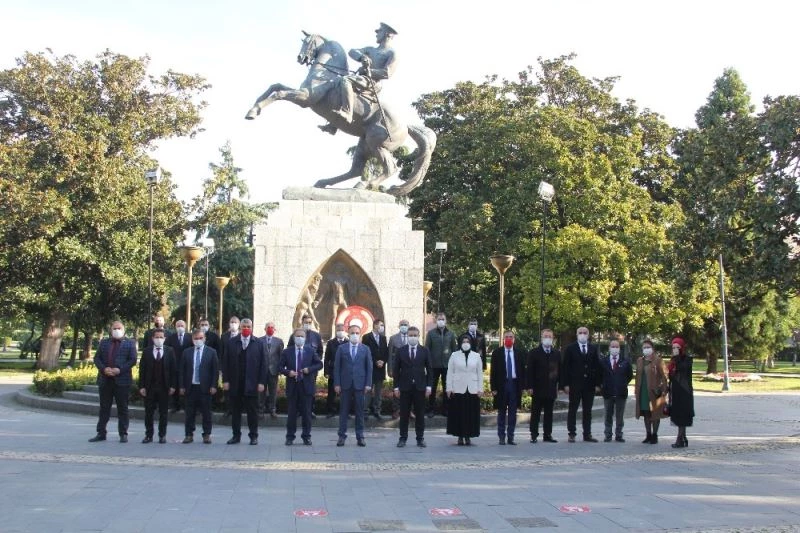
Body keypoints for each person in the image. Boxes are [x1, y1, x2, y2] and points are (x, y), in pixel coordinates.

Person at [323, 22, 398, 135]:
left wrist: (369, 71)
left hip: (372, 82)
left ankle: (347, 112)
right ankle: (334, 125)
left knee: (346, 80)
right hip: (361, 79)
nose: (377, 33)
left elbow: (387, 73)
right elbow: (352, 51)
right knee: (338, 83)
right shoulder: (370, 49)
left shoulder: (391, 53)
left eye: (380, 31)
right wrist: (361, 56)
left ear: (388, 34)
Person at [89, 321, 138, 443]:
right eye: (114, 328)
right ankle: (101, 433)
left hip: (122, 380)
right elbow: (97, 358)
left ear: (124, 329)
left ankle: (123, 433)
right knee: (104, 408)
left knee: (123, 408)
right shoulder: (104, 342)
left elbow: (132, 360)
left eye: (119, 328)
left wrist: (119, 370)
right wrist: (104, 368)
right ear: (111, 330)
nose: (117, 330)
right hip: (105, 380)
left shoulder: (130, 343)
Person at [222, 319, 266, 445]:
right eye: (244, 326)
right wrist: (225, 380)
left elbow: (264, 364)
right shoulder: (231, 342)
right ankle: (236, 436)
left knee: (252, 412)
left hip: (252, 383)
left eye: (248, 326)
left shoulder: (258, 343)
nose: (246, 328)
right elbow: (225, 363)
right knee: (235, 411)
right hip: (236, 382)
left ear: (252, 327)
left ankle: (253, 436)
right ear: (240, 328)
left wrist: (261, 382)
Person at [280, 328, 323, 445]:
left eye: (302, 336)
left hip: (306, 386)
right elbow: (280, 367)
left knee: (306, 413)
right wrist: (288, 372)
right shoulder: (287, 352)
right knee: (292, 413)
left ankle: (306, 436)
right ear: (294, 338)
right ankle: (290, 437)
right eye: (297, 336)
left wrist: (309, 369)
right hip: (292, 386)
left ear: (305, 338)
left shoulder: (310, 351)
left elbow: (319, 364)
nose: (299, 338)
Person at [392, 326, 432, 447]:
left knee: (420, 414)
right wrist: (396, 387)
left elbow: (430, 370)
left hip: (420, 387)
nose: (412, 337)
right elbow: (396, 370)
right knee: (404, 414)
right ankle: (402, 438)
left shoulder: (424, 350)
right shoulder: (401, 350)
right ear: (407, 336)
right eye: (410, 335)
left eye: (415, 335)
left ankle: (420, 438)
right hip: (405, 387)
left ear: (418, 336)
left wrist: (429, 386)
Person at [334, 324, 373, 447]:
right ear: (348, 334)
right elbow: (337, 367)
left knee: (360, 412)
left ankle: (360, 436)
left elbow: (369, 368)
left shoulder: (365, 349)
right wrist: (337, 383)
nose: (354, 335)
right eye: (352, 333)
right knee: (344, 411)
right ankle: (341, 436)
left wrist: (368, 384)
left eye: (357, 333)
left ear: (360, 334)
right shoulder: (341, 348)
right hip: (345, 384)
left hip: (360, 385)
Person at [561, 326, 602, 443]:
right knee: (573, 409)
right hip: (575, 384)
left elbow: (597, 367)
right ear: (577, 334)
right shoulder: (570, 348)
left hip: (589, 385)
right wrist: (565, 384)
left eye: (585, 333)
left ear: (588, 335)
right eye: (580, 332)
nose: (583, 334)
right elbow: (566, 367)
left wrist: (597, 384)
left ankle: (587, 434)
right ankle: (572, 433)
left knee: (587, 410)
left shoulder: (593, 348)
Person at [137, 328, 176, 444]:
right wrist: (142, 386)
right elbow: (142, 370)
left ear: (164, 339)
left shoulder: (170, 351)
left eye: (161, 337)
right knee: (149, 412)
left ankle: (162, 435)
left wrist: (173, 386)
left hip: (164, 387)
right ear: (153, 338)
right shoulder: (147, 351)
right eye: (157, 337)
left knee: (163, 413)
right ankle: (148, 435)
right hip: (150, 387)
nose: (159, 339)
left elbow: (174, 370)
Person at [180, 329, 219, 444]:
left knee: (206, 413)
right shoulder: (186, 352)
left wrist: (214, 385)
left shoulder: (211, 352)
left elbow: (215, 371)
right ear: (192, 340)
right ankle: (188, 434)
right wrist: (181, 386)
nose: (198, 340)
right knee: (189, 413)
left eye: (200, 338)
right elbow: (182, 370)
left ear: (205, 339)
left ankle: (206, 434)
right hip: (190, 387)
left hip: (205, 387)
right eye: (196, 338)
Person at [446, 333, 484, 445]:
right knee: (459, 413)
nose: (465, 344)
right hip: (458, 388)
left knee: (470, 414)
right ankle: (459, 436)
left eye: (467, 342)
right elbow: (450, 372)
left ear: (471, 343)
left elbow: (479, 374)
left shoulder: (476, 356)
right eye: (463, 342)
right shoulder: (454, 355)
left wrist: (480, 389)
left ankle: (468, 436)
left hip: (472, 388)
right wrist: (449, 388)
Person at [526, 328, 560, 443]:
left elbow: (560, 371)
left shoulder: (556, 353)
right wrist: (530, 386)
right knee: (535, 413)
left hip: (551, 388)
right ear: (541, 338)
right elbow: (529, 371)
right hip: (537, 388)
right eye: (545, 336)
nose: (548, 339)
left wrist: (560, 386)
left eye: (550, 337)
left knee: (549, 413)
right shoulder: (534, 353)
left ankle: (548, 435)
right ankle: (533, 435)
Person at [490, 330, 524, 445]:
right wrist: (493, 388)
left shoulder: (519, 353)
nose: (509, 339)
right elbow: (493, 372)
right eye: (507, 337)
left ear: (514, 339)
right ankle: (501, 436)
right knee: (501, 412)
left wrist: (523, 387)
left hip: (514, 385)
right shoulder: (497, 353)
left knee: (513, 413)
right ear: (503, 339)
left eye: (511, 337)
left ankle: (511, 437)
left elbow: (522, 371)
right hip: (501, 386)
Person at [288, 314, 324, 418]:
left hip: (311, 370)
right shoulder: (294, 335)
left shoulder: (316, 336)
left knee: (310, 391)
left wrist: (314, 363)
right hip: (297, 368)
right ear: (302, 322)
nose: (308, 324)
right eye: (306, 322)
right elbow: (289, 349)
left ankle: (310, 410)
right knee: (298, 389)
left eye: (309, 322)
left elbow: (320, 351)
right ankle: (299, 410)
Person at [425, 312, 457, 417]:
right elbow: (427, 350)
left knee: (447, 388)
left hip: (447, 366)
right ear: (436, 321)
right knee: (432, 388)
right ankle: (431, 409)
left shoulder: (451, 334)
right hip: (434, 366)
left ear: (446, 320)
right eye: (439, 319)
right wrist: (427, 364)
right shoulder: (431, 333)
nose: (441, 321)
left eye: (443, 319)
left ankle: (446, 409)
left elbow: (454, 350)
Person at [635, 339, 668, 444]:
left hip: (655, 391)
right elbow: (637, 376)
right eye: (644, 347)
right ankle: (648, 434)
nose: (646, 349)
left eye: (648, 347)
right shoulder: (640, 361)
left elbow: (664, 376)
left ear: (653, 348)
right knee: (645, 413)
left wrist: (663, 390)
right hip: (643, 390)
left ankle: (655, 435)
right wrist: (636, 390)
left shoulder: (658, 360)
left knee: (655, 413)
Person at [600, 339, 634, 442]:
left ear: (619, 348)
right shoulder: (604, 361)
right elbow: (600, 375)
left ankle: (619, 434)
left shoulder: (625, 362)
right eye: (613, 346)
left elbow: (629, 375)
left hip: (621, 392)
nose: (615, 348)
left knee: (620, 416)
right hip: (608, 392)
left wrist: (622, 384)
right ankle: (608, 434)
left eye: (617, 347)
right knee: (608, 415)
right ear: (609, 348)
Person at [668, 337, 694, 448]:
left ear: (682, 348)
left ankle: (680, 439)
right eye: (673, 347)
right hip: (675, 390)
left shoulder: (687, 359)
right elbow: (671, 375)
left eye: (677, 347)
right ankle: (683, 437)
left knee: (683, 415)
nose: (675, 350)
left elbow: (683, 369)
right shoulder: (673, 360)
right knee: (677, 415)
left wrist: (677, 357)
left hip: (685, 391)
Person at [362, 318, 389, 420]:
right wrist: (375, 361)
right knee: (368, 391)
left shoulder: (383, 338)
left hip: (380, 369)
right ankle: (365, 411)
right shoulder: (366, 337)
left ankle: (377, 410)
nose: (382, 327)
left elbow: (386, 352)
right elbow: (366, 352)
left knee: (378, 392)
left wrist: (383, 361)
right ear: (375, 325)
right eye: (381, 325)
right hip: (370, 368)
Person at [166, 319, 192, 413]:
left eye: (182, 326)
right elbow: (167, 350)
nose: (180, 327)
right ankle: (175, 405)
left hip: (187, 365)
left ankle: (186, 406)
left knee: (187, 385)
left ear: (185, 327)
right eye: (178, 326)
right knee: (175, 385)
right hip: (175, 365)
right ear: (175, 327)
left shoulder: (190, 337)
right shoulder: (171, 337)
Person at [261, 321, 285, 419]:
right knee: (261, 392)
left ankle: (272, 410)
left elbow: (281, 356)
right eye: (268, 327)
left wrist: (280, 369)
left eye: (272, 327)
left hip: (273, 370)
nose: (270, 329)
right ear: (265, 329)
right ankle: (260, 410)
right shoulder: (259, 340)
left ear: (274, 329)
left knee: (273, 392)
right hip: (262, 371)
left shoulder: (279, 341)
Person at [387, 319, 410, 419]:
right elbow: (389, 355)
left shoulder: (412, 337)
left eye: (405, 324)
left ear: (408, 326)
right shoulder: (393, 338)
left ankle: (409, 410)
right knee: (396, 390)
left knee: (409, 390)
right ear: (398, 326)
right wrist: (390, 369)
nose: (404, 326)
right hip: (397, 368)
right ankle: (396, 410)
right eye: (402, 324)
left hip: (409, 369)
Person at [324, 323, 348, 418]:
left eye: (342, 330)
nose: (340, 332)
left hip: (345, 372)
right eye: (338, 330)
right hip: (333, 371)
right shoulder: (331, 343)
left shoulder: (348, 342)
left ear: (345, 331)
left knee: (346, 393)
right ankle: (331, 411)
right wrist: (326, 372)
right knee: (331, 393)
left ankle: (345, 411)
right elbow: (327, 358)